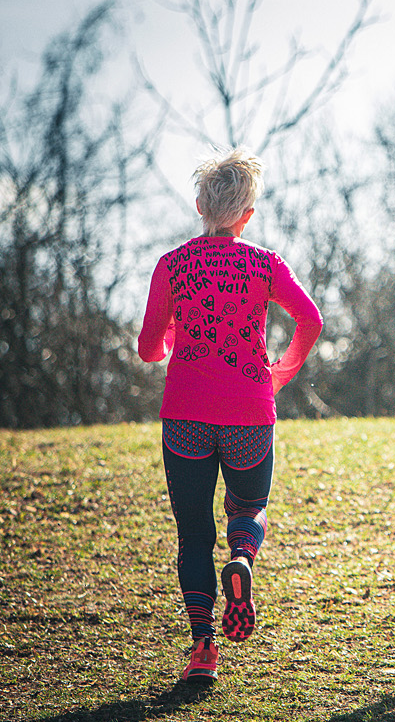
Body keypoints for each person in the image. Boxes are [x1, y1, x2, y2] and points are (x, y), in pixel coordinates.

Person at [138, 148, 322, 682]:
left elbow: (149, 348)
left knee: (193, 533)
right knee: (249, 507)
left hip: (186, 418)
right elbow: (310, 319)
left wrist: (174, 338)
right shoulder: (265, 264)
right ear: (248, 215)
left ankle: (202, 649)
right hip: (249, 413)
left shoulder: (172, 265)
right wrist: (281, 372)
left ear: (199, 205)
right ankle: (242, 557)